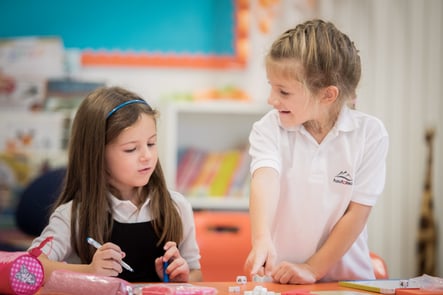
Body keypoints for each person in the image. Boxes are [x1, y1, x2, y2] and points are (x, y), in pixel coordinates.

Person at [244, 19, 389, 284]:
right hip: (280, 280)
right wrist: (261, 238)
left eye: (283, 91)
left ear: (327, 95)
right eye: (271, 86)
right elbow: (265, 177)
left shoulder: (370, 134)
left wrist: (312, 268)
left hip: (347, 282)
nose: (271, 99)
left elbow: (356, 214)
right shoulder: (269, 128)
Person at [29, 86, 202, 283]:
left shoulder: (177, 207)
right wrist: (89, 271)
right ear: (97, 155)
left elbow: (196, 274)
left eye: (151, 143)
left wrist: (182, 277)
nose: (147, 156)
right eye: (131, 149)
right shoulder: (73, 216)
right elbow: (30, 265)